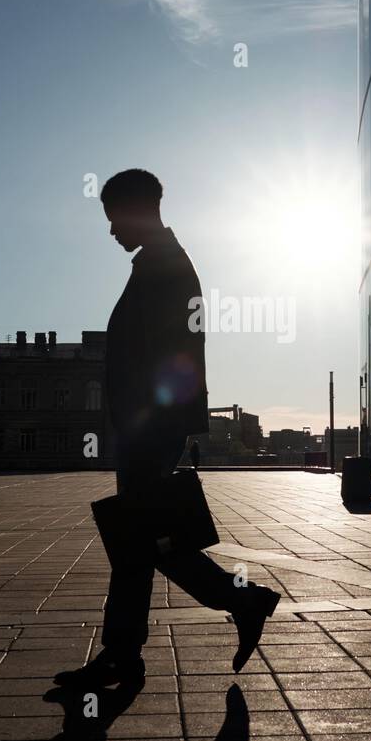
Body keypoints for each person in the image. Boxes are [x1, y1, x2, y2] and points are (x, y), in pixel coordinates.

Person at [75, 169, 279, 687]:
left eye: (112, 218)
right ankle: (125, 652)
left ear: (135, 208)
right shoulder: (160, 262)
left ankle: (239, 602)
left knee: (142, 540)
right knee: (140, 541)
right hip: (150, 426)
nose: (110, 231)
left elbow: (180, 354)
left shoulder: (164, 265)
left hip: (150, 428)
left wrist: (153, 421)